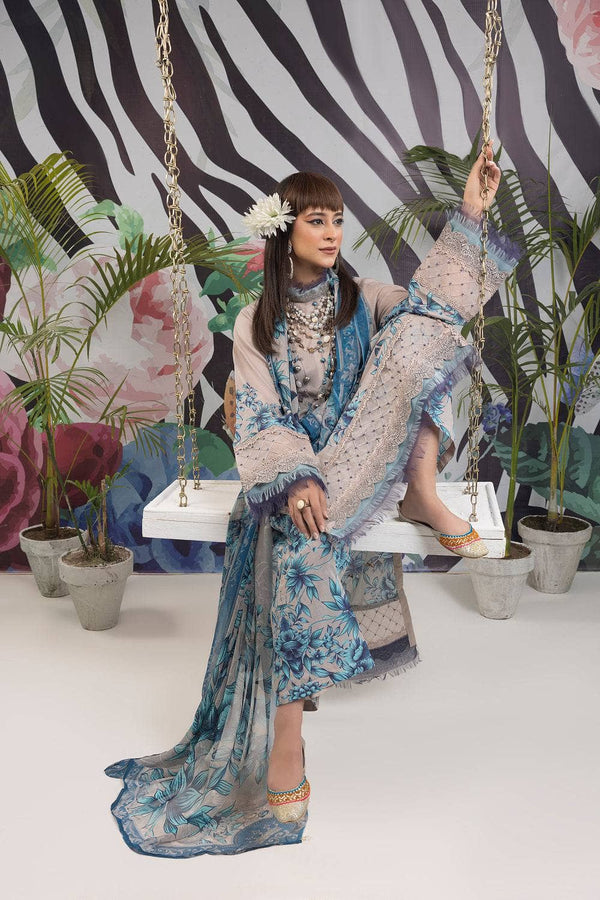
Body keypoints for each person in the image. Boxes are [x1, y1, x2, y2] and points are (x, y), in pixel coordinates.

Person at [105, 147, 520, 857]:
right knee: (300, 542)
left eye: (337, 220)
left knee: (425, 334)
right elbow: (258, 415)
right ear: (285, 231)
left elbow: (439, 304)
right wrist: (296, 477)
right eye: (317, 220)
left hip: (364, 460)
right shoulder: (253, 323)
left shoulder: (363, 299)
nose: (332, 233)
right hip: (293, 476)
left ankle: (422, 493)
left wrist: (472, 211)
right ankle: (287, 741)